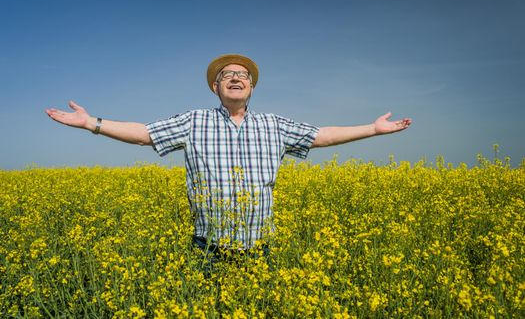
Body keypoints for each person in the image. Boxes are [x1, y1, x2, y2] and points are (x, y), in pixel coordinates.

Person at [45, 54, 412, 253]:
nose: (236, 78)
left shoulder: (274, 124)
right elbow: (145, 134)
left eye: (243, 75)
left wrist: (372, 128)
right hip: (208, 246)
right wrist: (92, 122)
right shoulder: (194, 121)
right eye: (227, 75)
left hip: (259, 247)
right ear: (215, 87)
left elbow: (322, 136)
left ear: (251, 87)